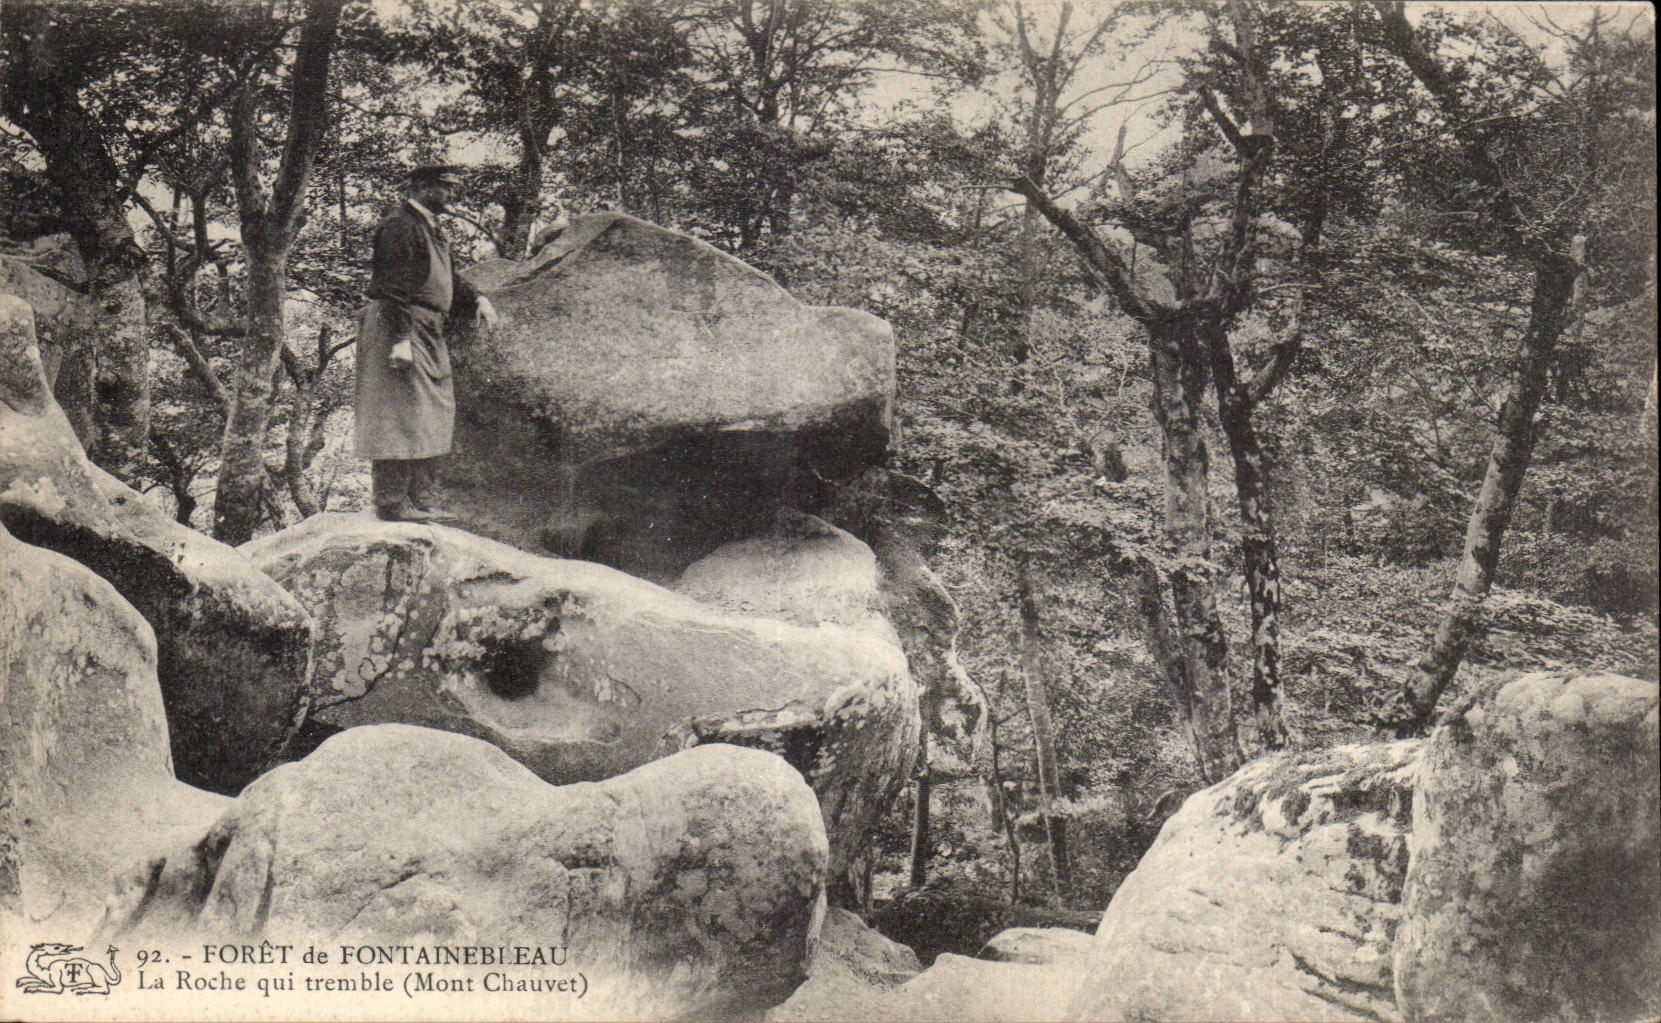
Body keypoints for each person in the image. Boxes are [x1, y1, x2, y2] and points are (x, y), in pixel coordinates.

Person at [355, 164, 498, 521]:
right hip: (399, 324)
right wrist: (400, 339)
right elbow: (390, 285)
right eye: (446, 188)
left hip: (429, 327)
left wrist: (478, 298)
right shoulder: (399, 226)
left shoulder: (430, 229)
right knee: (396, 413)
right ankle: (391, 504)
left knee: (433, 411)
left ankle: (421, 501)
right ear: (420, 188)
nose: (453, 195)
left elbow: (450, 277)